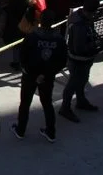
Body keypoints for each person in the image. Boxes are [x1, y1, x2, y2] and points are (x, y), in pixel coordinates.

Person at [11, 9, 67, 143]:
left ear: (40, 21)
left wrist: (30, 72)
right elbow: (62, 61)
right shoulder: (59, 39)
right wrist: (47, 74)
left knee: (25, 103)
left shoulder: (32, 37)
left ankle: (21, 129)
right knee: (47, 103)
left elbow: (22, 56)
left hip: (30, 76)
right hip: (47, 77)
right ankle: (51, 131)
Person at [59, 0, 103, 123]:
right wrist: (99, 48)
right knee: (72, 84)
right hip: (78, 60)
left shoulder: (82, 16)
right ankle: (65, 108)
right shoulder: (80, 25)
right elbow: (80, 49)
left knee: (83, 80)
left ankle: (81, 100)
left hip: (84, 60)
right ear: (91, 11)